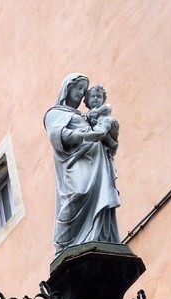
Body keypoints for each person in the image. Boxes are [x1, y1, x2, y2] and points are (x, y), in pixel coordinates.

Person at [44, 73, 121, 250]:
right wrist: (88, 135)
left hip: (98, 161)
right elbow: (59, 136)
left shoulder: (85, 115)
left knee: (101, 198)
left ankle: (99, 237)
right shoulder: (54, 113)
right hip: (75, 162)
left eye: (83, 90)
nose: (81, 93)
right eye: (78, 88)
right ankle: (63, 246)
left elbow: (108, 135)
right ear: (67, 88)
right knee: (77, 193)